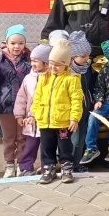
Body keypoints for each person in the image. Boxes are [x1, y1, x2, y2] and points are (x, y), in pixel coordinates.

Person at [30, 39, 83, 184]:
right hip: (45, 121)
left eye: (57, 65)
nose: (53, 67)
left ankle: (66, 169)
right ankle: (48, 169)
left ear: (66, 64)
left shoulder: (72, 79)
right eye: (51, 63)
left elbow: (76, 99)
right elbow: (38, 97)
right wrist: (34, 113)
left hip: (63, 121)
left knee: (65, 146)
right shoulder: (44, 77)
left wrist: (74, 118)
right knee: (47, 146)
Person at [0, 25, 32, 179]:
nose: (16, 46)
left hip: (24, 107)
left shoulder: (29, 61)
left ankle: (21, 164)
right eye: (13, 43)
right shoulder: (0, 61)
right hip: (4, 106)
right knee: (8, 137)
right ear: (6, 43)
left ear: (24, 44)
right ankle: (9, 164)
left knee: (22, 137)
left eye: (20, 43)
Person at [13, 43, 51, 176]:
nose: (32, 64)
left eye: (36, 61)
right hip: (30, 121)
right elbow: (21, 97)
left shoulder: (52, 79)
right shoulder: (28, 78)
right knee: (30, 146)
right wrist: (19, 115)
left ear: (46, 63)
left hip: (46, 120)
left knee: (47, 146)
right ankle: (25, 168)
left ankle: (47, 167)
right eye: (32, 60)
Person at [68, 30, 94, 172]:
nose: (86, 58)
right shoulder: (69, 71)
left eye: (88, 55)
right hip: (73, 112)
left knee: (81, 139)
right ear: (72, 56)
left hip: (85, 108)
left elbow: (89, 87)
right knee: (74, 139)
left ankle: (77, 164)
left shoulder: (87, 68)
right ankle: (69, 165)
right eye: (83, 56)